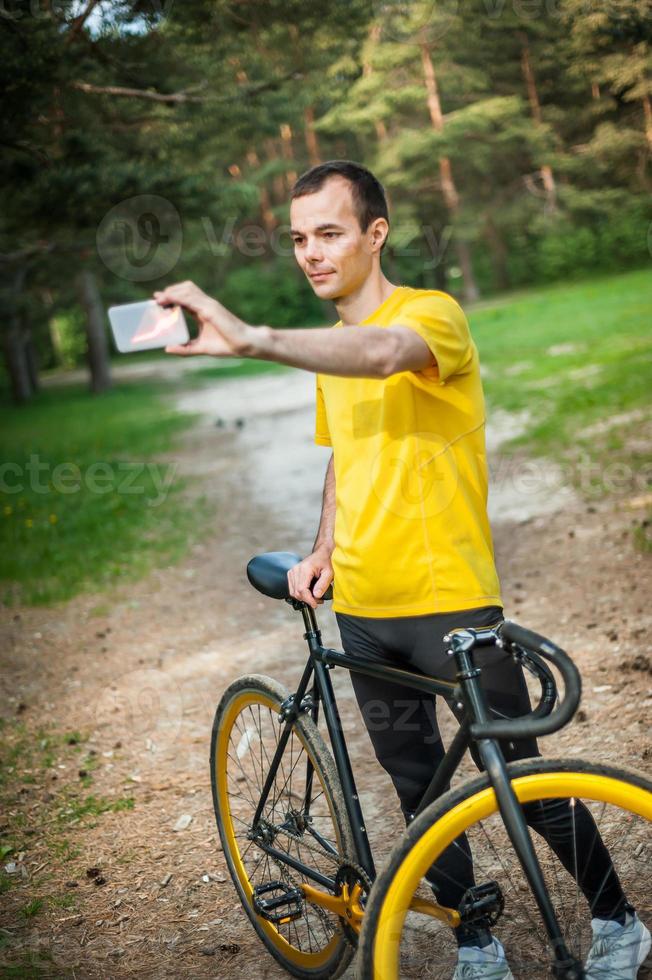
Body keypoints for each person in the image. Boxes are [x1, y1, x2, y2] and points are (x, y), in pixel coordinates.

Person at [156, 160, 650, 980]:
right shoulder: (332, 353)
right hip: (365, 609)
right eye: (298, 239)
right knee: (421, 789)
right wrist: (322, 550)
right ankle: (476, 942)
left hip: (449, 601)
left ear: (374, 234)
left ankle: (617, 921)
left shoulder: (431, 317)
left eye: (329, 234)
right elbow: (344, 461)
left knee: (526, 781)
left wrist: (251, 339)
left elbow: (386, 352)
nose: (311, 254)